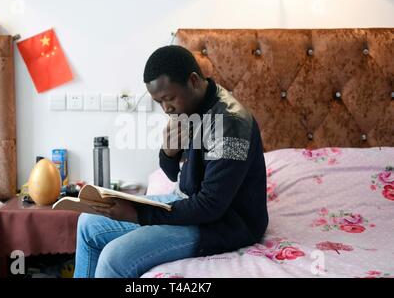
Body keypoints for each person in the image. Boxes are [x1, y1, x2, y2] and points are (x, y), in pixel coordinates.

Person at [74, 45, 268, 278]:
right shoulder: (191, 108)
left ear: (194, 81)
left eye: (169, 98)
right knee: (89, 223)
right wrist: (168, 153)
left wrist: (138, 214)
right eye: (159, 102)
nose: (166, 109)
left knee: (114, 258)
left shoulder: (231, 125)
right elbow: (174, 176)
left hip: (224, 224)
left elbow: (210, 207)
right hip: (190, 203)